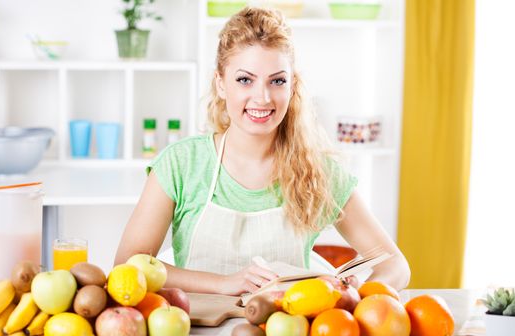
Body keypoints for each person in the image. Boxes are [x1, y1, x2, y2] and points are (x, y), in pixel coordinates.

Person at [115, 7, 410, 296]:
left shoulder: (318, 172)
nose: (263, 97)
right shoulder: (181, 165)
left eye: (277, 81)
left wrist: (358, 291)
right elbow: (127, 267)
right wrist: (222, 283)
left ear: (292, 86)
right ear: (220, 84)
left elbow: (395, 265)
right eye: (245, 80)